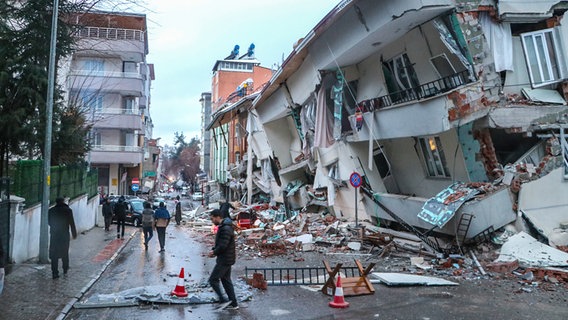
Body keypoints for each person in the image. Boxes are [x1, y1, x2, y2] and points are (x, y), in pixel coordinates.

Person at [208, 209, 238, 310]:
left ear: (217, 217)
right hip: (226, 258)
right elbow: (221, 243)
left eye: (212, 219)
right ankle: (234, 303)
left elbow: (223, 245)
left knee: (213, 279)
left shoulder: (225, 228)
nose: (212, 221)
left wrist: (214, 252)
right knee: (226, 280)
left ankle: (223, 300)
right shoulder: (225, 227)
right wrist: (215, 250)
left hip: (225, 259)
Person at [48, 197, 77, 279]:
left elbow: (49, 222)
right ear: (63, 201)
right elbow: (72, 222)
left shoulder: (51, 211)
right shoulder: (68, 210)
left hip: (54, 234)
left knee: (54, 254)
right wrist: (74, 233)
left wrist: (54, 227)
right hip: (64, 234)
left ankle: (54, 272)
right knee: (65, 251)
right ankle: (65, 268)